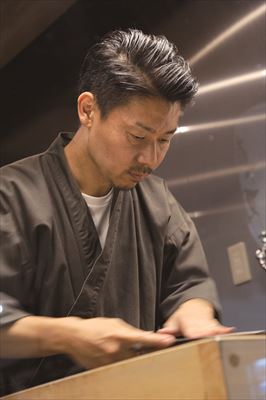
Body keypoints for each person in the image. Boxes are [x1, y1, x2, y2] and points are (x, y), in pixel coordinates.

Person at [0, 29, 233, 396]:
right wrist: (68, 335)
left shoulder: (158, 202)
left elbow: (188, 284)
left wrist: (194, 312)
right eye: (138, 137)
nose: (151, 159)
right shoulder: (11, 196)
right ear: (88, 110)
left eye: (166, 138)